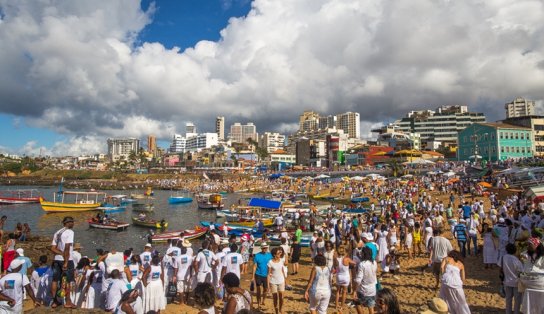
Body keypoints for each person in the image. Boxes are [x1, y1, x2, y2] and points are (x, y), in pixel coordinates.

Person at [50, 216, 77, 308]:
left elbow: (53, 248)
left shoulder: (57, 232)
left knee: (55, 280)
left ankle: (55, 301)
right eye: (72, 222)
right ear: (68, 223)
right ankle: (68, 302)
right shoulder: (70, 232)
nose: (73, 224)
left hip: (56, 259)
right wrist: (65, 261)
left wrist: (60, 253)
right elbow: (67, 247)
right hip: (67, 260)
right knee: (67, 281)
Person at [354, 247, 378, 314]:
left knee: (357, 303)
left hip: (363, 289)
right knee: (371, 307)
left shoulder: (362, 264)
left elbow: (359, 279)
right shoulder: (374, 262)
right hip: (372, 289)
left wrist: (355, 290)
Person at [500, 243, 522, 314]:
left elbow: (500, 267)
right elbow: (521, 272)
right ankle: (516, 312)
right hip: (516, 282)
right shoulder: (516, 260)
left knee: (508, 299)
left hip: (506, 281)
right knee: (517, 300)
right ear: (515, 251)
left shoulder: (503, 257)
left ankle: (508, 312)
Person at [334, 245, 356, 311]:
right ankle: (342, 306)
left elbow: (335, 267)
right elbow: (354, 263)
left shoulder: (336, 259)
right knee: (344, 292)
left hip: (338, 276)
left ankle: (336, 305)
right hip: (345, 277)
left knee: (338, 291)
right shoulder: (347, 259)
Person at [252, 242, 272, 309]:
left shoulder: (270, 255)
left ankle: (263, 300)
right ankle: (258, 303)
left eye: (266, 248)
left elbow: (272, 265)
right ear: (261, 248)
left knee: (265, 289)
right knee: (258, 290)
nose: (265, 249)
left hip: (266, 275)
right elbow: (254, 266)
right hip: (258, 274)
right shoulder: (257, 255)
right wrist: (252, 276)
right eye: (263, 248)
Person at [268, 247, 287, 314]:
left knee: (281, 297)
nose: (280, 254)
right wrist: (268, 285)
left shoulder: (281, 260)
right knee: (275, 298)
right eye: (278, 253)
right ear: (274, 255)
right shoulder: (270, 262)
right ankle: (276, 310)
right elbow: (269, 274)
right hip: (273, 282)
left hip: (281, 281)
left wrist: (285, 279)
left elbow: (282, 270)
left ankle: (280, 309)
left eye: (280, 252)